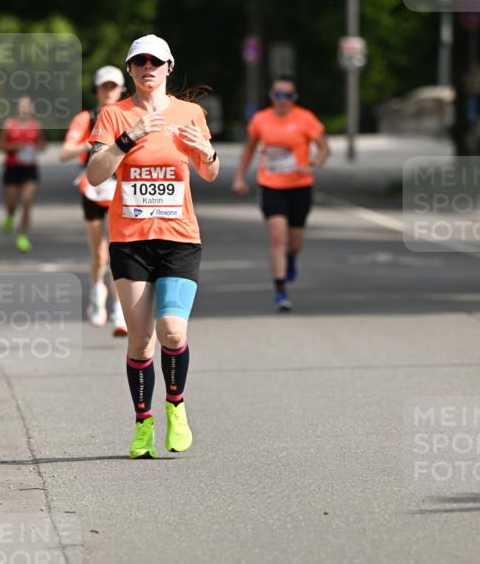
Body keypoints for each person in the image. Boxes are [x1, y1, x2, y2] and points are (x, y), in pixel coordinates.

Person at [86, 34, 219, 459]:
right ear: (130, 70)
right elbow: (94, 175)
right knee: (141, 340)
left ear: (169, 67)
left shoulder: (190, 113)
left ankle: (175, 407)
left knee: (172, 330)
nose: (148, 68)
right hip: (131, 241)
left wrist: (209, 153)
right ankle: (143, 423)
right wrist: (129, 138)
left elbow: (210, 172)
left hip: (179, 237)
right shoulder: (113, 115)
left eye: (155, 62)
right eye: (139, 61)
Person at [232, 76, 330, 310]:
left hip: (299, 186)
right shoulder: (260, 119)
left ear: (294, 98)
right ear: (271, 96)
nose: (283, 100)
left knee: (295, 242)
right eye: (279, 94)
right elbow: (249, 149)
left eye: (288, 95)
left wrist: (313, 163)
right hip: (270, 185)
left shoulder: (305, 119)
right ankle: (280, 292)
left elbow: (324, 148)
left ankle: (292, 258)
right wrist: (239, 177)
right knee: (278, 238)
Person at [60, 66, 127, 336]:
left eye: (114, 86)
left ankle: (119, 312)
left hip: (122, 190)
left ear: (122, 88)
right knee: (99, 253)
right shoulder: (85, 118)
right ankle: (97, 292)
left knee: (119, 252)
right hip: (93, 190)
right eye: (104, 86)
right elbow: (64, 153)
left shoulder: (129, 116)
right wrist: (91, 144)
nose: (109, 91)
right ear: (97, 89)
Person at [0, 95, 45, 252]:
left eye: (27, 106)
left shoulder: (36, 125)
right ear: (17, 108)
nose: (24, 108)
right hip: (12, 168)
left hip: (29, 169)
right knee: (12, 203)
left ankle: (22, 237)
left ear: (31, 108)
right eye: (22, 106)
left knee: (26, 201)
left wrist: (35, 149)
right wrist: (15, 146)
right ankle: (10, 216)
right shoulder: (9, 124)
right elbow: (0, 145)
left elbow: (42, 145)